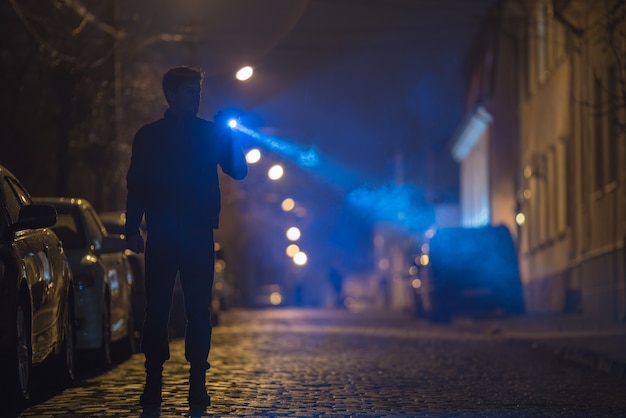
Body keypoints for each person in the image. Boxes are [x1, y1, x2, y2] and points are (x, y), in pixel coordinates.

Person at [124, 66, 248, 407]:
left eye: (198, 91)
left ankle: (197, 381)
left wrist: (230, 135)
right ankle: (153, 380)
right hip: (163, 233)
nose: (197, 97)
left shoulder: (209, 133)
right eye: (190, 91)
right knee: (157, 311)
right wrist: (132, 229)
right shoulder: (149, 136)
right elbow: (136, 186)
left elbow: (238, 170)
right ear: (171, 95)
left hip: (196, 233)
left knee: (198, 310)